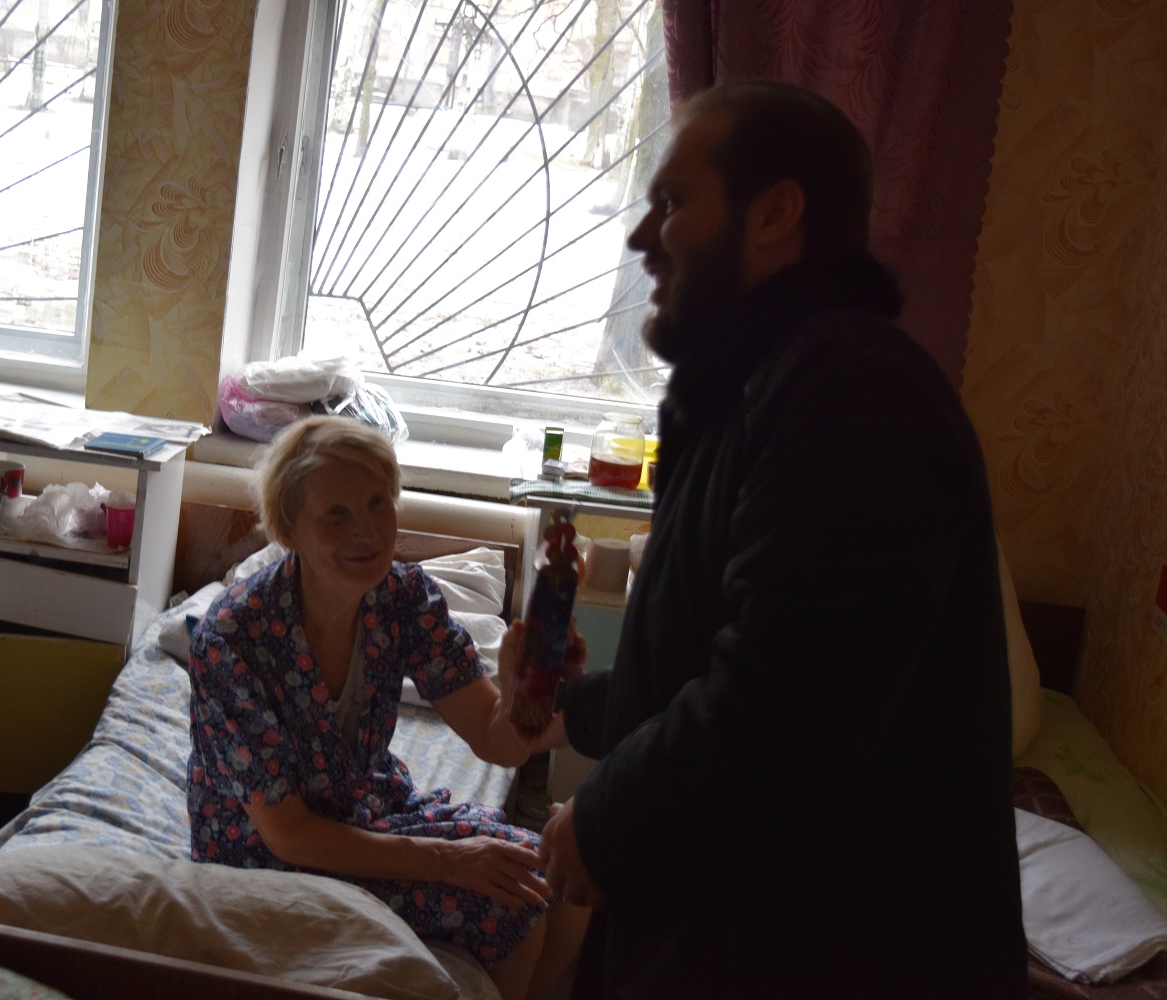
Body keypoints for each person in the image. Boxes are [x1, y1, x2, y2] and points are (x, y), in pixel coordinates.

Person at [521, 80, 1027, 998]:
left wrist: (602, 818)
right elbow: (705, 664)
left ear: (774, 214)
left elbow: (787, 705)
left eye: (673, 201)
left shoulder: (854, 390)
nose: (642, 237)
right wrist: (564, 704)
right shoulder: (753, 394)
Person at [186, 415, 587, 1000]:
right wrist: (452, 862)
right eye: (337, 514)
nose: (368, 531)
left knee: (562, 879)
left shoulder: (402, 599)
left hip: (362, 806)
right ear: (290, 528)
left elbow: (494, 738)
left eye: (379, 503)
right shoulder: (233, 641)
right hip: (261, 853)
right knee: (513, 910)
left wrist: (528, 691)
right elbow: (290, 835)